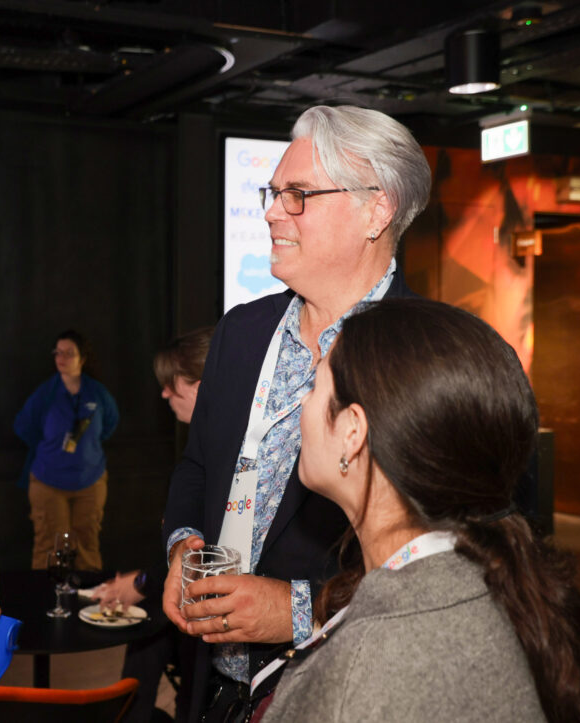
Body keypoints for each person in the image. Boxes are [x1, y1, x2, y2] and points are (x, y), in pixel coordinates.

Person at [161, 104, 431, 721]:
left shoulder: (431, 357)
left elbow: (469, 560)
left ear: (377, 209)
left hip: (340, 692)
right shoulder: (241, 331)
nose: (271, 211)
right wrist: (183, 546)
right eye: (274, 191)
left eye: (298, 194)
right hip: (215, 686)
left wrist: (302, 609)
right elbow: (197, 469)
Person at [259, 298, 580, 722]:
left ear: (352, 430)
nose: (302, 406)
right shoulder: (495, 584)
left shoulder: (361, 675)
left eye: (314, 388)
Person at [91, 326, 214, 722]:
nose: (164, 394)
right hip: (194, 603)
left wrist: (141, 584)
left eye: (171, 384)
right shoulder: (204, 445)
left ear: (201, 384)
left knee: (154, 622)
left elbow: (206, 553)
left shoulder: (223, 452)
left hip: (213, 613)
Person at [15, 329, 119, 570]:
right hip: (48, 482)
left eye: (68, 353)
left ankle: (87, 603)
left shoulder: (97, 393)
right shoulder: (45, 394)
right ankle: (45, 603)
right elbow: (24, 426)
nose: (61, 358)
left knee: (87, 547)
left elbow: (110, 425)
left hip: (90, 482)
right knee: (50, 547)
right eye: (57, 353)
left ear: (82, 358)